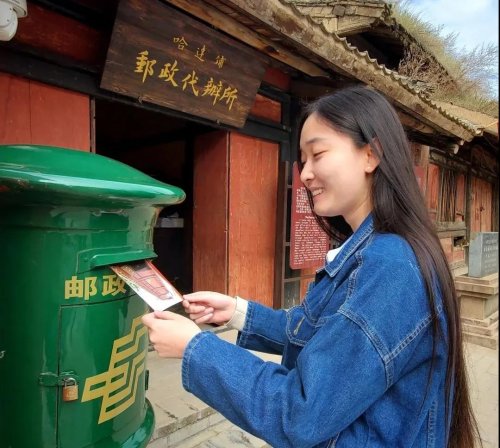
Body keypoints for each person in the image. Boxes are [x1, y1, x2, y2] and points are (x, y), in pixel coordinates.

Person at [142, 85, 481, 448]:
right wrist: (237, 313)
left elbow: (301, 413)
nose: (304, 173)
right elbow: (320, 333)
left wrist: (195, 348)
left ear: (371, 155)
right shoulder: (372, 250)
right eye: (303, 160)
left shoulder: (389, 268)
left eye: (317, 154)